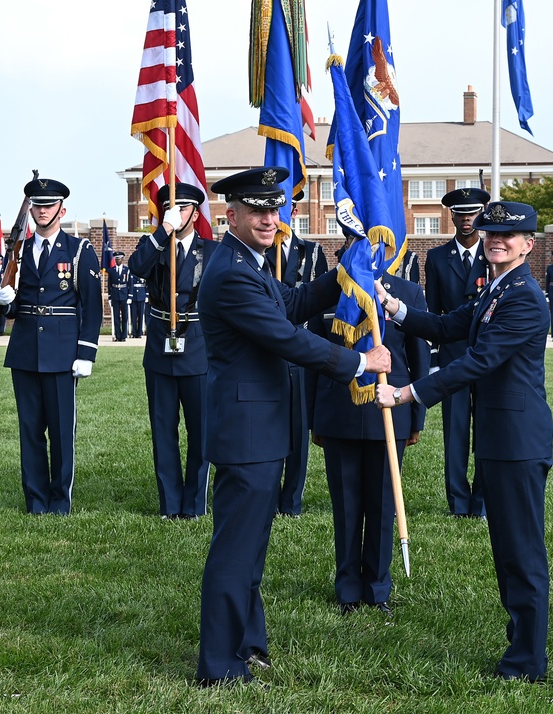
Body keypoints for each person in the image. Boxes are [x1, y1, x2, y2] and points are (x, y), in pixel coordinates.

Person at [194, 166, 390, 687]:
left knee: (249, 548)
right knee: (236, 552)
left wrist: (347, 268)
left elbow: (296, 303)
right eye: (256, 209)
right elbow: (287, 337)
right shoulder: (232, 272)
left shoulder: (249, 263)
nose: (268, 218)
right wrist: (358, 364)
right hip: (247, 432)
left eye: (274, 209)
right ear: (229, 214)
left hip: (259, 429)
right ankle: (218, 666)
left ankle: (245, 645)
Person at [374, 200, 553, 684]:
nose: (496, 239)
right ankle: (520, 647)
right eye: (491, 231)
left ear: (528, 245)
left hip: (518, 441)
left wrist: (408, 392)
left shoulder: (524, 297)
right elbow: (448, 325)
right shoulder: (496, 288)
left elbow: (478, 361)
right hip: (499, 439)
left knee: (522, 553)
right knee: (507, 551)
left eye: (508, 236)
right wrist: (395, 307)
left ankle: (527, 662)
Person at [309, 232, 429, 616]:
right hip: (339, 411)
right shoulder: (328, 291)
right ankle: (347, 588)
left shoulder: (406, 293)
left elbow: (418, 358)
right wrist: (315, 416)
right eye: (355, 242)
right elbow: (312, 356)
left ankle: (377, 587)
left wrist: (417, 418)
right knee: (345, 506)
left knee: (381, 505)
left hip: (389, 412)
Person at [0, 177, 103, 515]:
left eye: (49, 205)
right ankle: (36, 500)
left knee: (60, 431)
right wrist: (2, 301)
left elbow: (93, 308)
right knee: (30, 430)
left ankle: (59, 500)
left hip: (62, 350)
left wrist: (86, 352)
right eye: (37, 205)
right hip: (25, 347)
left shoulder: (79, 251)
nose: (42, 211)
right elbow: (14, 305)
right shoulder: (19, 251)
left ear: (61, 210)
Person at [128, 182, 217, 520]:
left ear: (195, 212)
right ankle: (170, 503)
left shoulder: (211, 251)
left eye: (182, 208)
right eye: (170, 208)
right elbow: (136, 266)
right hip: (160, 347)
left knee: (200, 430)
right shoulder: (153, 247)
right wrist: (164, 230)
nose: (177, 214)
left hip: (197, 344)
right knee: (163, 429)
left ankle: (194, 504)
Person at [424, 186, 490, 518]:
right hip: (452, 356)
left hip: (488, 356)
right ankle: (458, 501)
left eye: (473, 213)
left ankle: (481, 501)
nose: (467, 220)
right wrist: (435, 360)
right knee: (455, 431)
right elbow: (434, 313)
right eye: (460, 214)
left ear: (482, 214)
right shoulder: (436, 258)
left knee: (487, 432)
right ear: (451, 216)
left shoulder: (494, 254)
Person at [265, 189, 329, 517]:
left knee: (299, 428)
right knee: (270, 424)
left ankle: (291, 501)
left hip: (302, 346)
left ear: (294, 208)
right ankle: (268, 494)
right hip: (266, 349)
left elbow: (317, 306)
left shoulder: (312, 251)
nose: (278, 213)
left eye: (284, 206)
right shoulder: (258, 252)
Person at [107, 251, 130, 341]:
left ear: (122, 259)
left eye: (119, 259)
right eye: (116, 259)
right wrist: (109, 296)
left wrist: (130, 296)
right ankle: (117, 335)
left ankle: (124, 335)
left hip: (124, 294)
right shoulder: (111, 270)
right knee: (116, 317)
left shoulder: (126, 270)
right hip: (115, 295)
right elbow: (109, 285)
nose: (118, 261)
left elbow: (130, 284)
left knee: (125, 316)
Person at [127, 269, 147, 338]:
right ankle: (134, 332)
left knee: (141, 315)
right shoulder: (131, 272)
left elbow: (146, 284)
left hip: (141, 295)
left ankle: (139, 333)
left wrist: (146, 295)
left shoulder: (144, 272)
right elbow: (130, 284)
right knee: (134, 316)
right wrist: (130, 296)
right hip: (134, 296)